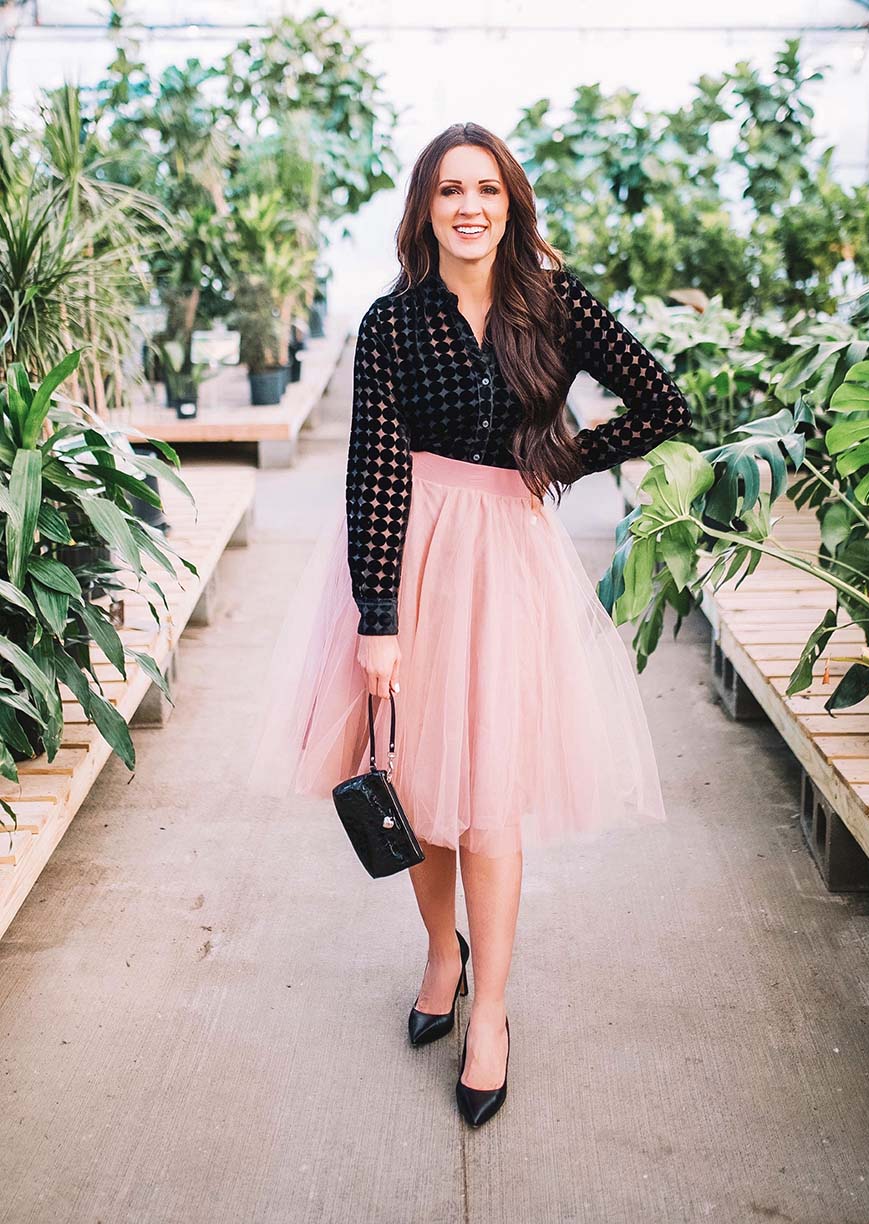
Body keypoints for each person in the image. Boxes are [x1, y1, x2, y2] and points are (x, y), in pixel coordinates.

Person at [246, 121, 692, 1129]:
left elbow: (664, 403)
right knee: (418, 783)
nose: (469, 207)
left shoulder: (557, 305)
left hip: (508, 565)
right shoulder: (392, 323)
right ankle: (441, 955)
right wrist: (377, 618)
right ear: (426, 209)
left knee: (487, 795)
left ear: (510, 204)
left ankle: (490, 1013)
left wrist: (559, 462)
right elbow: (373, 475)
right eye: (450, 190)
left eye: (486, 189)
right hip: (412, 562)